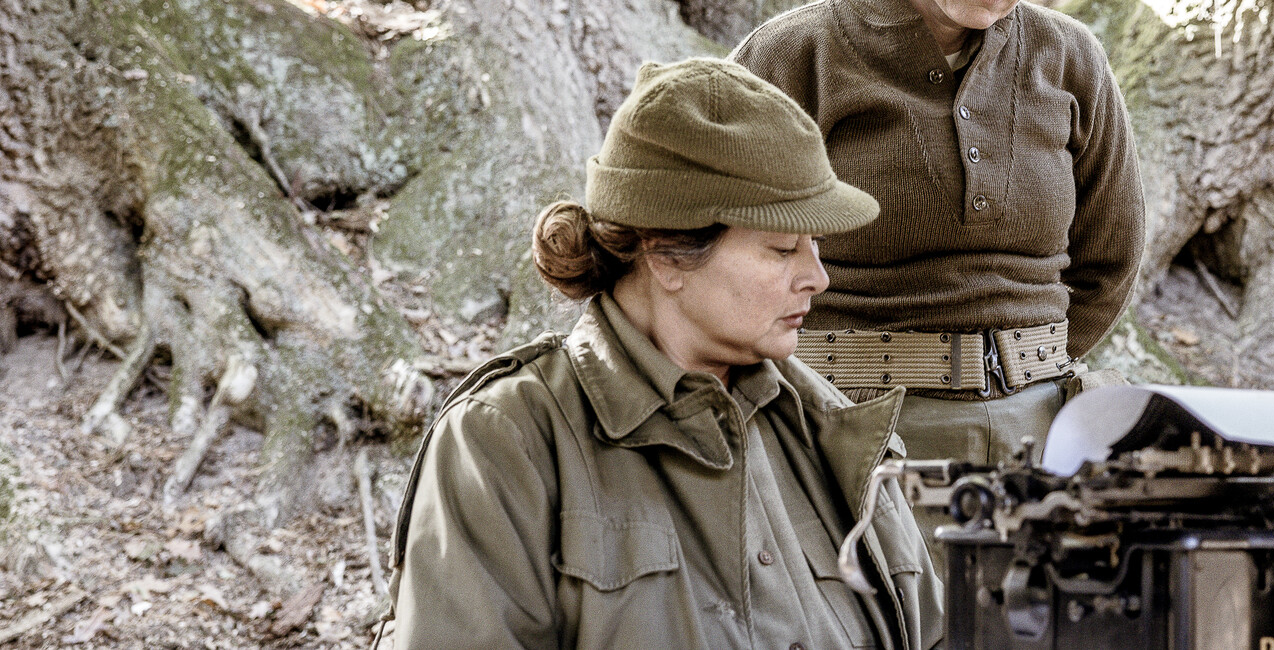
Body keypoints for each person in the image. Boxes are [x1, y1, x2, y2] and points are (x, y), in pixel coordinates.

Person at [383, 58, 942, 650]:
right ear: (666, 255)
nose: (817, 277)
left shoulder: (827, 423)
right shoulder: (507, 442)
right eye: (781, 249)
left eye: (816, 245)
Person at [730, 0, 1144, 511]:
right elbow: (721, 253)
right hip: (851, 425)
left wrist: (1017, 363)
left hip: (1043, 435)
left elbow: (1111, 259)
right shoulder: (794, 52)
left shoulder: (1070, 55)